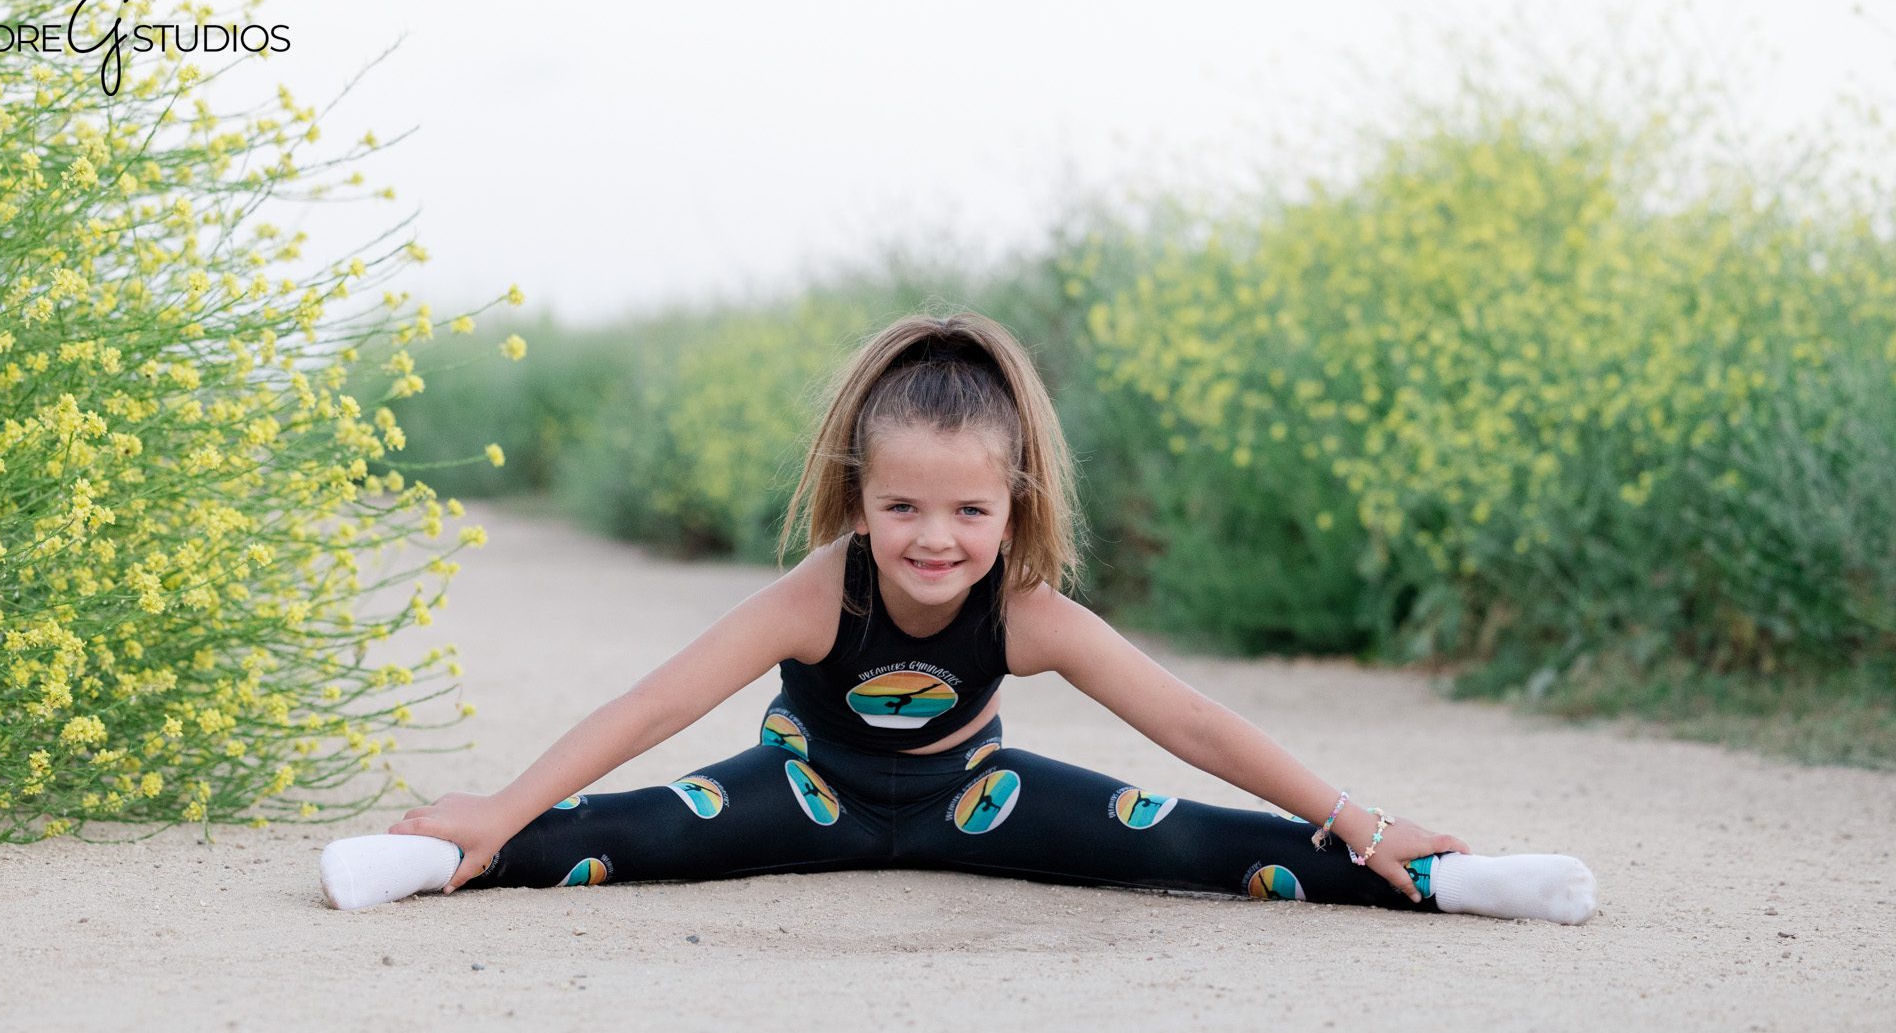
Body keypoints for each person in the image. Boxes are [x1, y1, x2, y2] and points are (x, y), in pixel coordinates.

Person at [319, 312, 1596, 924]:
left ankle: (1436, 882)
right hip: (800, 792)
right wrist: (497, 805)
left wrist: (1359, 818)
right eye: (901, 507)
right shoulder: (820, 591)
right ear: (857, 498)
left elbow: (1190, 722)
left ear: (1013, 502)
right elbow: (657, 704)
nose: (935, 540)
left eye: (968, 512)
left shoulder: (1027, 613)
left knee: (1204, 845)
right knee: (608, 836)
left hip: (973, 796)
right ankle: (441, 860)